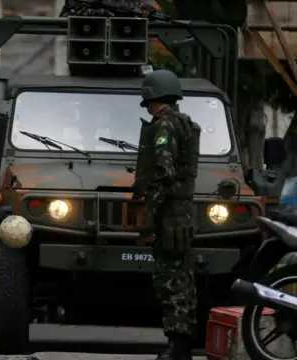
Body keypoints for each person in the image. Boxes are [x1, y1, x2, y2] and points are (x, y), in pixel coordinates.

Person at [132, 69, 201, 360]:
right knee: (183, 277)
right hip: (181, 211)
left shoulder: (165, 127)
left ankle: (178, 347)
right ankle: (182, 343)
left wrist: (148, 217)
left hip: (169, 212)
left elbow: (163, 174)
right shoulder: (185, 123)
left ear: (152, 96)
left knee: (170, 279)